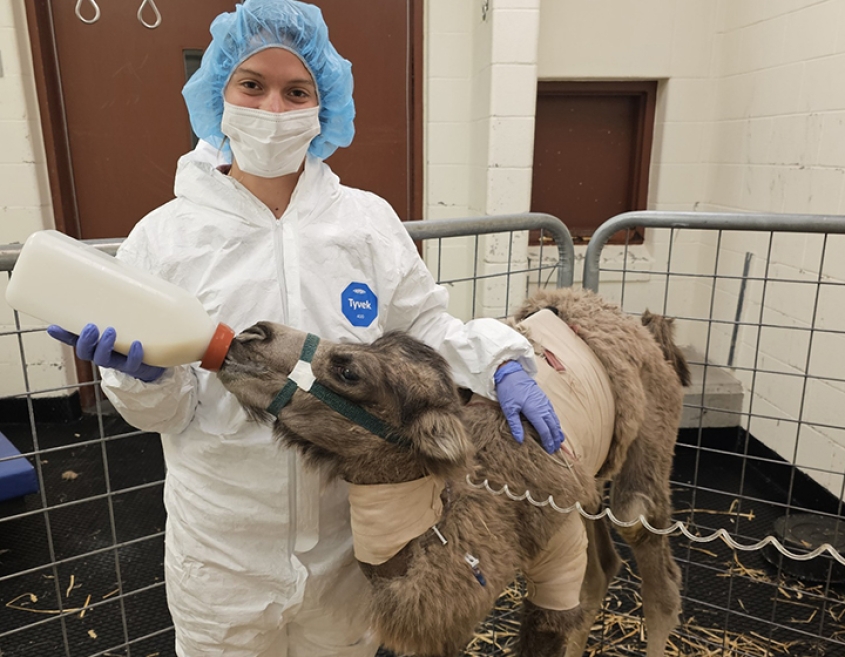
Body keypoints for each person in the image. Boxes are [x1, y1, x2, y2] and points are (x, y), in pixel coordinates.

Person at [47, 1, 565, 655]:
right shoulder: (165, 238)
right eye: (252, 85)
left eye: (296, 91)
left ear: (324, 106)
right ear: (218, 94)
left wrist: (500, 359)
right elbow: (168, 410)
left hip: (344, 548)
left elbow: (423, 327)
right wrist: (133, 376)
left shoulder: (365, 223)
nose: (272, 109)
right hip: (222, 552)